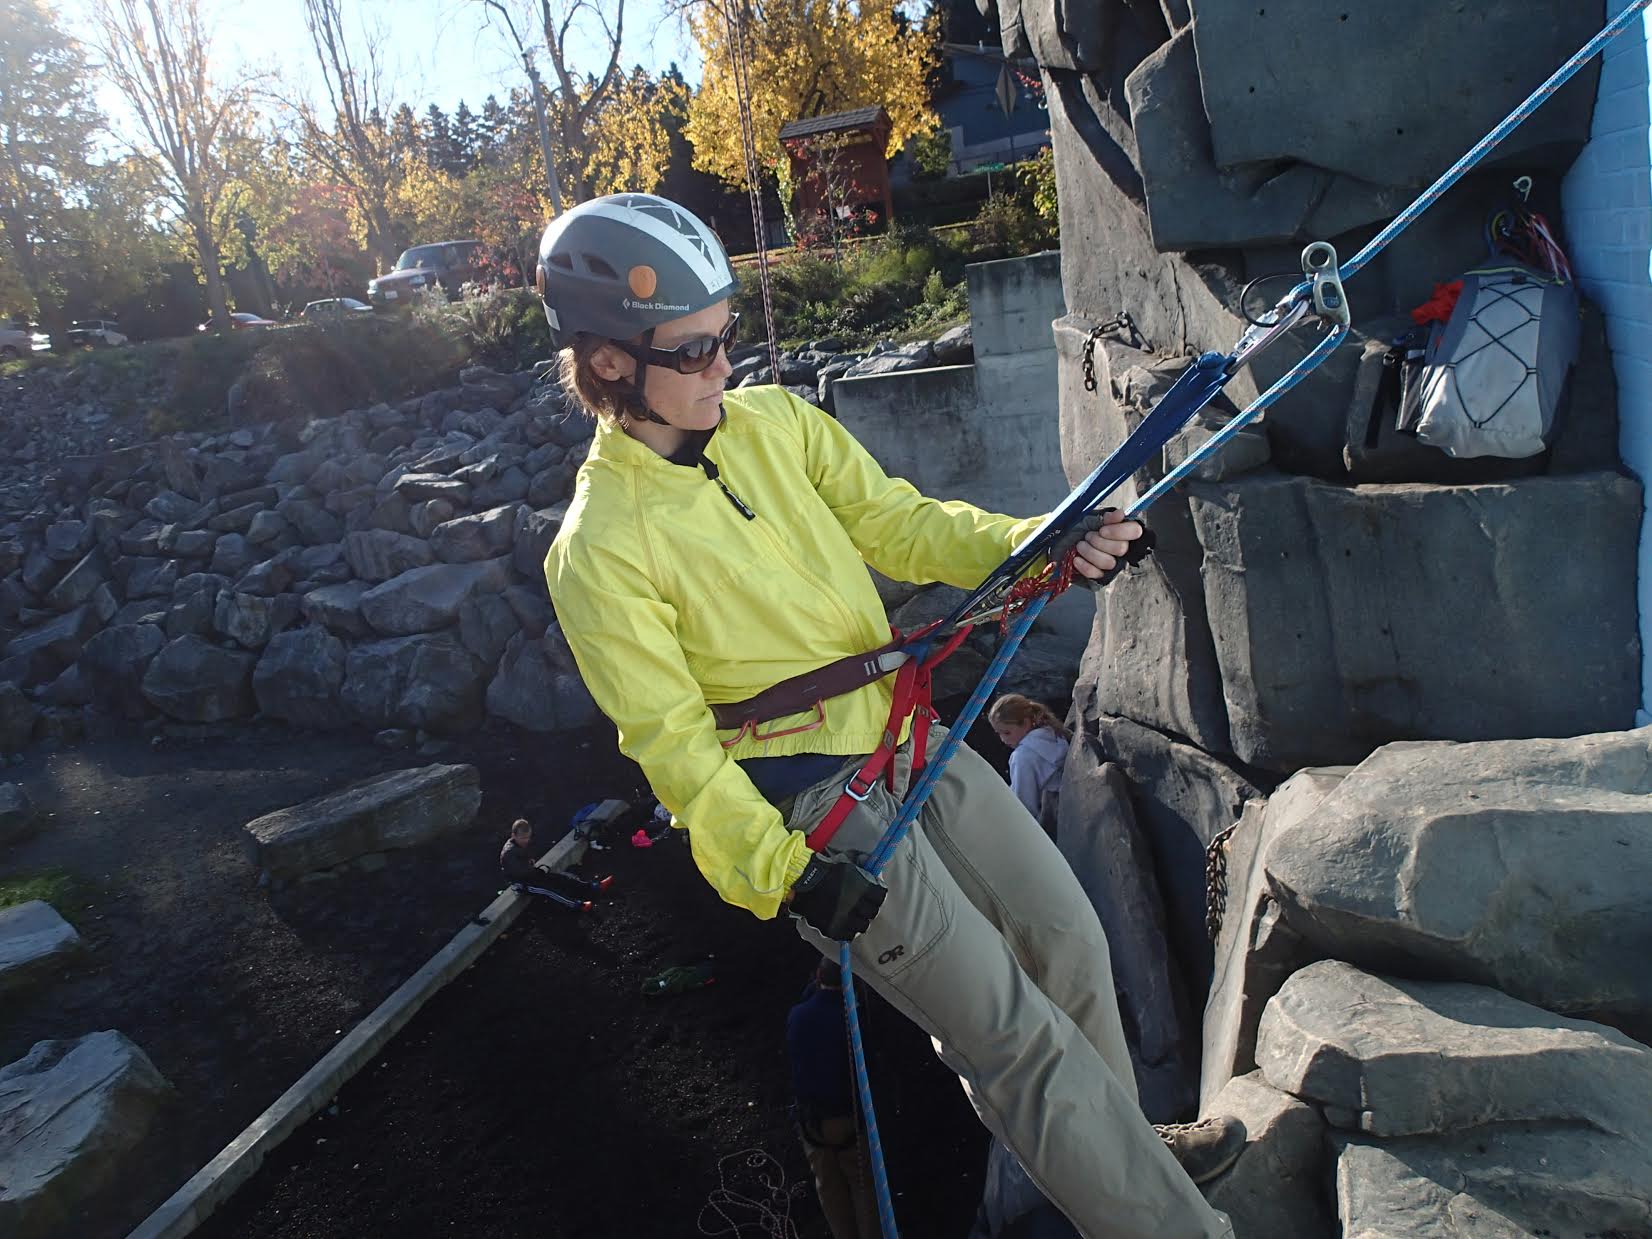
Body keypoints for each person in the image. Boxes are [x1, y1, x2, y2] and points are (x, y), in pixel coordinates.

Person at [539, 193, 1242, 1239]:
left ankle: (1132, 1165)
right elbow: (673, 750)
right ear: (607, 363)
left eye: (726, 335)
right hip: (817, 815)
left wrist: (1038, 543)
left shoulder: (775, 426)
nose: (723, 365)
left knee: (1067, 939)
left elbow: (901, 526)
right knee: (1010, 1038)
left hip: (910, 743)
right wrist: (783, 876)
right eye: (693, 350)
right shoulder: (598, 549)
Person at [786, 958, 878, 1239]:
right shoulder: (851, 1021)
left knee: (829, 1188)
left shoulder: (798, 1015)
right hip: (848, 1118)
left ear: (818, 977)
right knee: (862, 1185)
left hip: (811, 1121)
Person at [989, 694, 1071, 826]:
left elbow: (1023, 806)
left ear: (1026, 723)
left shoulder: (1022, 757)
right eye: (998, 733)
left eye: (1007, 733)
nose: (1003, 739)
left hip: (1048, 822)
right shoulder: (1053, 733)